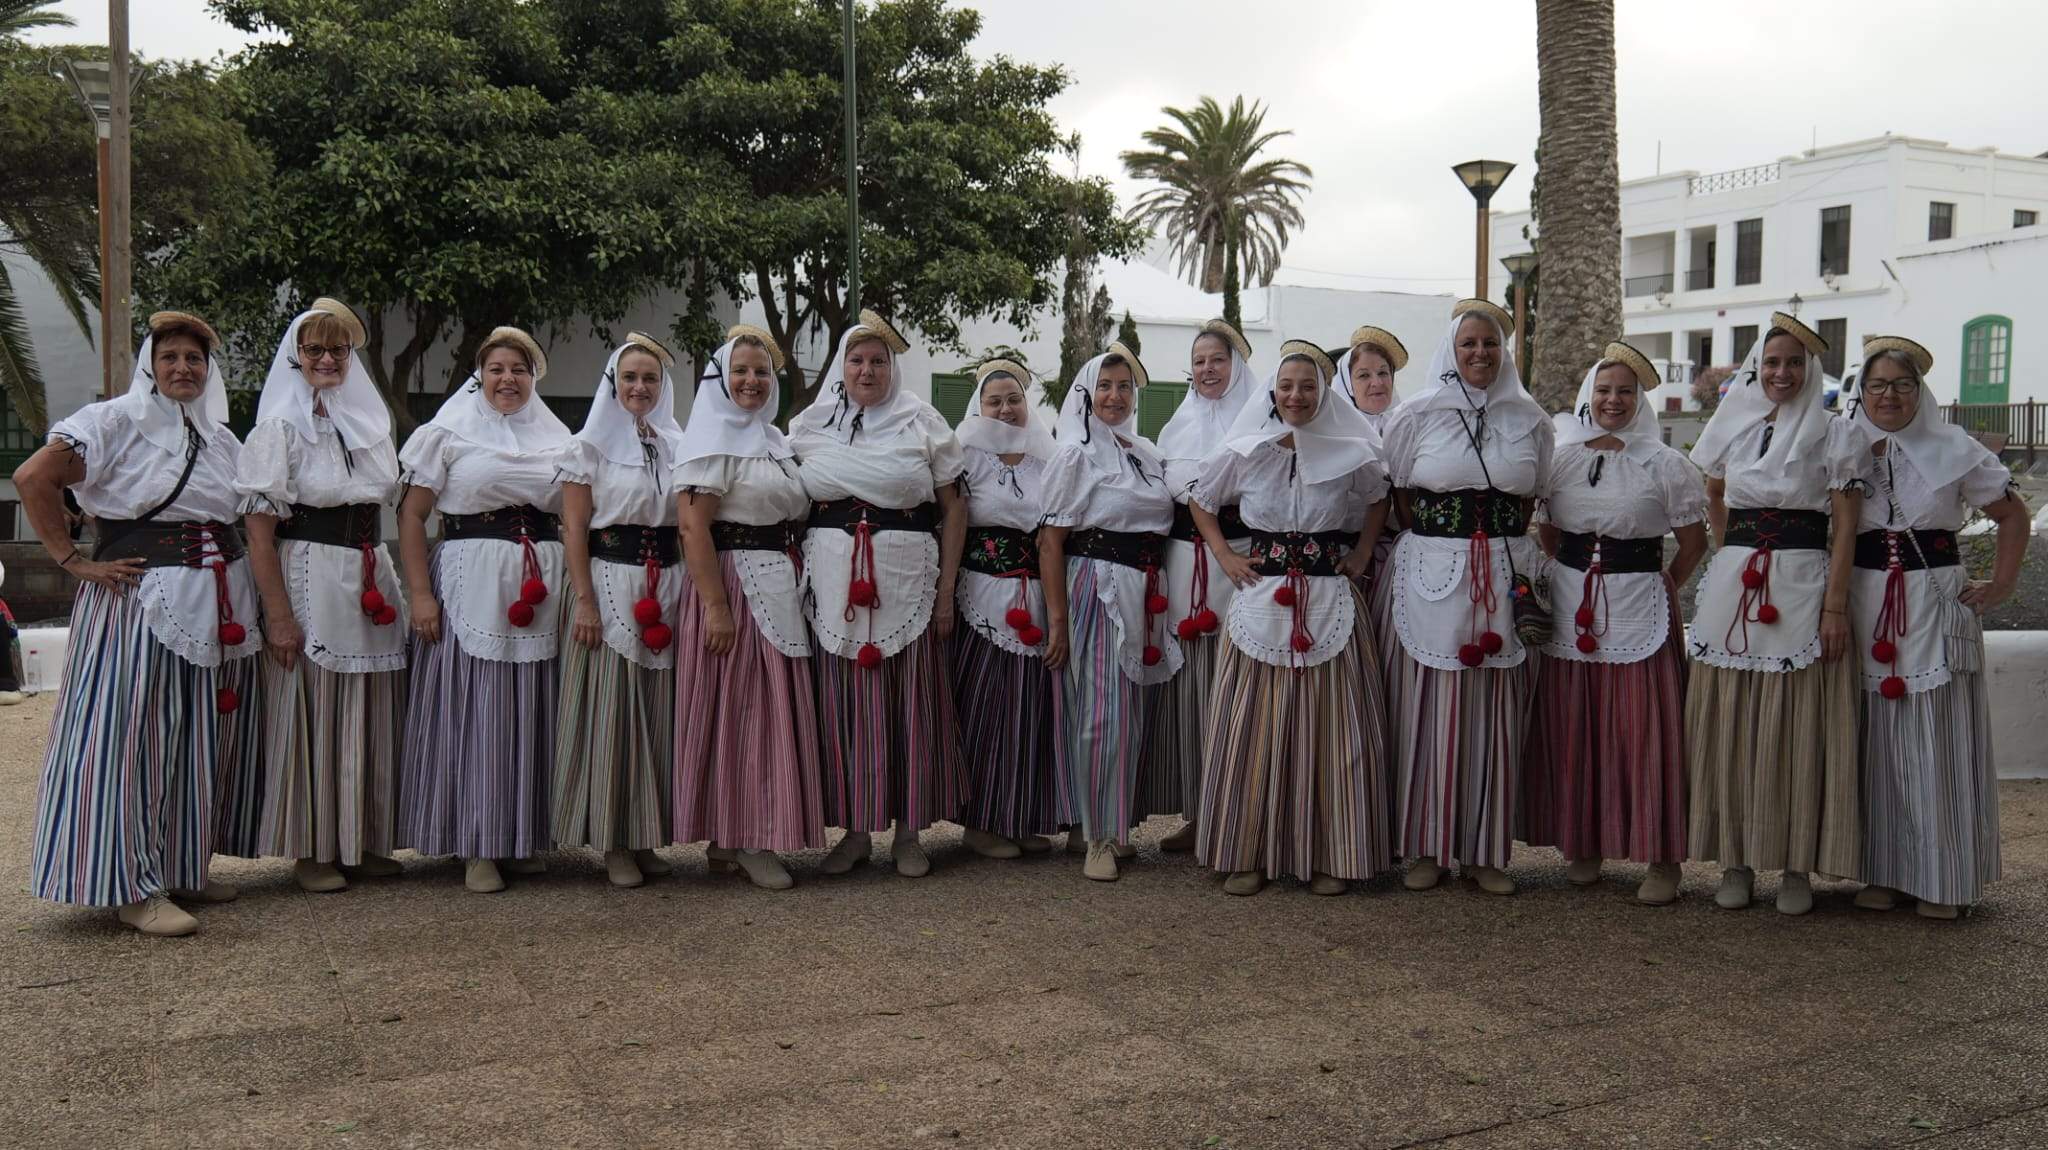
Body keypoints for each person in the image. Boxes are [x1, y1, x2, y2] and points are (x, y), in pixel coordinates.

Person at [19, 311, 262, 935]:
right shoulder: (112, 423)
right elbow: (32, 478)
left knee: (193, 737)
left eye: (195, 360)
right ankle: (131, 885)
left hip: (214, 601)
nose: (184, 368)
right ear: (150, 366)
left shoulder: (220, 438)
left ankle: (181, 866)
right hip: (139, 603)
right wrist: (71, 560)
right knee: (132, 741)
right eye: (171, 357)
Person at [1189, 341, 1393, 895]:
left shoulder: (1351, 448)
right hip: (1262, 597)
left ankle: (1333, 854)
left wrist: (1363, 553)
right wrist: (1226, 557)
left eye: (1307, 386)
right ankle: (1248, 854)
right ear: (1272, 393)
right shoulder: (1248, 449)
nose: (1296, 395)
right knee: (1252, 729)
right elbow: (1200, 499)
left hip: (1330, 595)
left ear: (1323, 392)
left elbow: (1379, 498)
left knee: (1333, 731)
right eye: (1286, 386)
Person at [1686, 313, 1866, 915]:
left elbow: (1845, 527)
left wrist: (1834, 606)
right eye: (1771, 362)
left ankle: (1795, 866)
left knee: (1795, 726)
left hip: (1801, 584)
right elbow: (1714, 491)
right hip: (1737, 585)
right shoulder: (1736, 427)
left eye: (1793, 363)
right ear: (1756, 368)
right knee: (1731, 721)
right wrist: (1728, 553)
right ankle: (1735, 859)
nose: (1781, 373)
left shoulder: (1836, 435)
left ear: (1811, 369)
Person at [1845, 335, 2029, 920]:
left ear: (1918, 391)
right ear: (1863, 391)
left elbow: (2011, 514)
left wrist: (2000, 585)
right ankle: (1885, 872)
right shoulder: (1846, 447)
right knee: (1875, 739)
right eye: (1878, 385)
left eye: (1901, 384)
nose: (1889, 395)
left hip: (1933, 599)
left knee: (1936, 737)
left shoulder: (1956, 448)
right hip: (1864, 600)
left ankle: (1943, 879)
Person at [1522, 342, 1708, 905]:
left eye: (1625, 391)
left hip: (1639, 605)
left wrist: (1662, 583)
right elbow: (1550, 531)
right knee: (1577, 722)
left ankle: (1662, 856)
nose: (1613, 400)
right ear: (1588, 396)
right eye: (1604, 391)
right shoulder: (1562, 459)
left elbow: (1694, 543)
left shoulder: (1666, 464)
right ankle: (1584, 843)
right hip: (1572, 601)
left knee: (1644, 728)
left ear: (1639, 400)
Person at [1376, 299, 1552, 896]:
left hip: (1502, 574)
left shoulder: (1531, 421)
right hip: (1431, 572)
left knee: (1495, 714)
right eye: (1468, 344)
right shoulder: (1418, 416)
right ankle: (1427, 846)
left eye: (1491, 344)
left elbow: (1531, 499)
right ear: (1451, 351)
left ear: (1505, 352)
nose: (1480, 353)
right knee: (1426, 710)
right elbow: (1398, 493)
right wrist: (1443, 537)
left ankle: (1486, 851)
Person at [236, 298, 408, 894]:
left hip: (368, 570)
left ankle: (357, 840)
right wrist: (277, 616)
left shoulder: (370, 426)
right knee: (314, 706)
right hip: (309, 570)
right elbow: (259, 531)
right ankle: (312, 847)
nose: (328, 359)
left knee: (366, 702)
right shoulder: (277, 430)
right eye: (315, 349)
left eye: (338, 349)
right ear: (296, 357)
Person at [790, 311, 968, 878]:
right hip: (835, 583)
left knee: (909, 703)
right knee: (847, 705)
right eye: (857, 360)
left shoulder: (923, 422)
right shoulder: (809, 426)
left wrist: (945, 595)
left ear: (894, 368)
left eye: (878, 361)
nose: (867, 370)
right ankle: (856, 830)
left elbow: (956, 509)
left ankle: (910, 834)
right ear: (841, 368)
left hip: (908, 580)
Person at [397, 327, 571, 893]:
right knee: (480, 709)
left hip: (539, 584)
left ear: (533, 377)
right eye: (496, 368)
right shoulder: (447, 434)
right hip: (470, 579)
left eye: (519, 369)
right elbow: (411, 516)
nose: (508, 379)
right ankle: (477, 842)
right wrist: (420, 594)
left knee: (531, 709)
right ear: (480, 375)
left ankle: (519, 835)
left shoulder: (557, 437)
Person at [671, 326, 825, 890]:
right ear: (720, 377)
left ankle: (732, 840)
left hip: (778, 582)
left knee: (761, 707)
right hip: (734, 583)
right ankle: (745, 836)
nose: (752, 381)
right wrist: (714, 606)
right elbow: (692, 526)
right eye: (741, 371)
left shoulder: (775, 441)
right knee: (743, 711)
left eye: (761, 372)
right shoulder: (713, 442)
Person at [1040, 342, 1182, 882]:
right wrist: (1057, 619)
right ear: (1087, 393)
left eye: (1124, 387)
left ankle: (1116, 824)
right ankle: (1096, 836)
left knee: (1135, 710)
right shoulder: (1076, 452)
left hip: (1145, 586)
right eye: (1105, 386)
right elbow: (1050, 541)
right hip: (1097, 583)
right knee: (1103, 712)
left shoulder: (1143, 450)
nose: (1116, 396)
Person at [554, 333, 687, 888]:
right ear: (614, 384)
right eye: (629, 378)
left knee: (658, 712)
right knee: (614, 712)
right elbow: (574, 529)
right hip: (609, 581)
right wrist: (584, 601)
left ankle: (646, 833)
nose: (639, 387)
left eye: (649, 379)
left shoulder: (681, 445)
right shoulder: (588, 448)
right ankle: (611, 839)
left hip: (668, 583)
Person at [1146, 320, 1257, 855]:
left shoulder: (1260, 423)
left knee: (1230, 688)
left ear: (1237, 366)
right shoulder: (1175, 428)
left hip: (1237, 566)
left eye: (1219, 359)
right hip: (1182, 566)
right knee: (1190, 691)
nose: (1208, 370)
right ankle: (1196, 812)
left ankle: (1235, 815)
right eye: (1200, 361)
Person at [950, 357, 1063, 859]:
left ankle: (1015, 817)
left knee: (1026, 708)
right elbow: (949, 522)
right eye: (994, 401)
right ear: (979, 406)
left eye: (1013, 399)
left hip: (1033, 596)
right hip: (980, 594)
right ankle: (979, 822)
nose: (1005, 409)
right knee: (985, 705)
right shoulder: (963, 457)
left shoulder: (1048, 458)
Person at [1337, 325, 1408, 435]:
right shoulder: (1334, 438)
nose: (1377, 383)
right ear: (1347, 386)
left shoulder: (1410, 429)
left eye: (1383, 373)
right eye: (1364, 375)